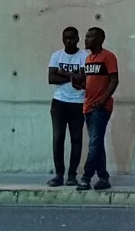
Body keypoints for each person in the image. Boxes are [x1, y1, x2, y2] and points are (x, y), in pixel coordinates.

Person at [78, 24, 119, 191]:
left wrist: (103, 99)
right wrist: (80, 85)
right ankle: (103, 177)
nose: (85, 39)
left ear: (100, 39)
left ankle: (86, 177)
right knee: (97, 143)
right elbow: (91, 82)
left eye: (90, 36)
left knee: (94, 144)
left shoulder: (108, 57)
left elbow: (114, 80)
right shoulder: (88, 59)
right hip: (87, 106)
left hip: (100, 107)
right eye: (86, 36)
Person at [47, 26, 87, 188]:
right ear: (62, 39)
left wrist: (63, 73)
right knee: (58, 139)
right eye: (66, 38)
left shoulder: (84, 56)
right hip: (59, 103)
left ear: (78, 39)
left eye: (72, 37)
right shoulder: (57, 55)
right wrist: (73, 77)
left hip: (78, 103)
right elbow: (51, 78)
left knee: (76, 139)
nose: (69, 40)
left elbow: (84, 78)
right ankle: (59, 175)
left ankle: (72, 175)